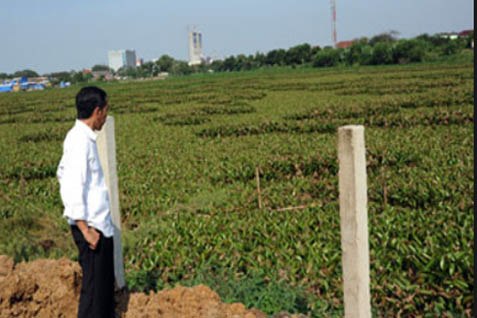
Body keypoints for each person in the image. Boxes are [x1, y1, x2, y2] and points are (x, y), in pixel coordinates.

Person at [57, 86, 115, 318]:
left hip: (98, 226)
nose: (105, 117)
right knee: (93, 295)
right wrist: (84, 229)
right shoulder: (78, 141)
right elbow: (71, 184)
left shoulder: (83, 139)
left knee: (102, 293)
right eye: (105, 111)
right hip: (91, 229)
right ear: (97, 111)